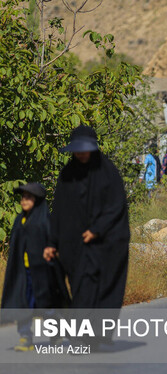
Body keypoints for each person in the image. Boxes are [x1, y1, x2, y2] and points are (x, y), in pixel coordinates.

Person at [44, 125, 130, 347]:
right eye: (77, 150)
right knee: (80, 287)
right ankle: (84, 334)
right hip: (75, 245)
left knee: (103, 289)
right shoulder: (67, 174)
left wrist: (97, 229)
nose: (81, 154)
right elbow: (59, 211)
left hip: (107, 245)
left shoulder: (108, 173)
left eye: (85, 149)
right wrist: (52, 242)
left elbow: (116, 206)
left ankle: (92, 336)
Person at [1, 183, 69, 352]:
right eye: (23, 197)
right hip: (22, 272)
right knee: (22, 304)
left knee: (45, 306)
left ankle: (57, 332)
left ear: (37, 201)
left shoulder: (45, 220)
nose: (24, 200)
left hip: (42, 272)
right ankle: (25, 337)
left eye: (28, 197)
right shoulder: (19, 220)